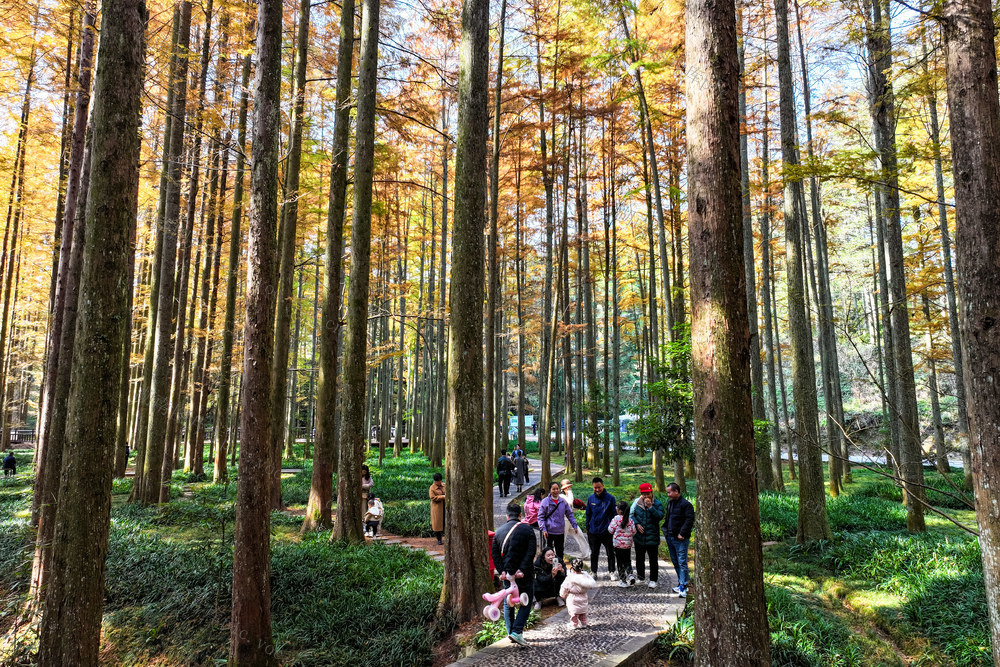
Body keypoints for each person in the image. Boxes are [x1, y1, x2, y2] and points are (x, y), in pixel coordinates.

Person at [491, 501, 537, 647]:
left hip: (507, 575)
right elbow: (531, 552)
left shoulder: (499, 532)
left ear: (507, 516)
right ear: (520, 515)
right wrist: (521, 569)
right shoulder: (528, 530)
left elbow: (495, 554)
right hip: (524, 574)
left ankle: (510, 631)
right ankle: (517, 631)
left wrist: (502, 571)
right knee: (526, 600)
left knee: (508, 601)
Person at [664, 482, 694, 598]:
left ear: (676, 491)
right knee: (675, 561)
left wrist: (682, 533)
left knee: (682, 562)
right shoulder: (670, 503)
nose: (668, 495)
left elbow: (689, 520)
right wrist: (665, 531)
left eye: (669, 492)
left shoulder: (686, 505)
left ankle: (684, 586)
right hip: (670, 536)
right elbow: (668, 518)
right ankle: (680, 582)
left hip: (680, 538)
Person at [632, 482, 664, 588]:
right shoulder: (637, 503)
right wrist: (636, 524)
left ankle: (653, 580)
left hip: (652, 536)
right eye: (643, 494)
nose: (646, 496)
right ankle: (641, 578)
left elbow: (660, 516)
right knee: (639, 559)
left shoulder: (657, 504)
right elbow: (632, 515)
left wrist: (650, 507)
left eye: (648, 494)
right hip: (639, 537)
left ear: (651, 492)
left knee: (653, 560)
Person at [538, 481, 580, 561]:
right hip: (549, 532)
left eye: (557, 489)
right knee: (549, 553)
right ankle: (549, 567)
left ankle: (560, 566)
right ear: (550, 490)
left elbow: (569, 514)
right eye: (553, 489)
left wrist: (574, 525)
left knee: (560, 552)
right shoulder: (545, 501)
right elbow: (540, 517)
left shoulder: (563, 501)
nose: (555, 491)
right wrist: (543, 529)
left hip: (560, 531)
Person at [585, 477, 617, 579]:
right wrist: (588, 527)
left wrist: (613, 528)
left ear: (603, 485)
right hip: (593, 531)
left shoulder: (610, 498)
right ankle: (593, 572)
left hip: (607, 531)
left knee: (610, 553)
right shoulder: (591, 498)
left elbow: (614, 514)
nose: (597, 489)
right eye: (595, 488)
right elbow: (588, 514)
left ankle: (612, 571)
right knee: (594, 553)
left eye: (599, 487)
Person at [559, 558, 597, 630]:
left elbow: (564, 587)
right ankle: (584, 623)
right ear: (582, 568)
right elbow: (590, 585)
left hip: (573, 598)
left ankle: (574, 624)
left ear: (572, 568)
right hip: (583, 597)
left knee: (574, 612)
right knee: (583, 611)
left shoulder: (570, 578)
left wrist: (562, 594)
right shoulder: (586, 577)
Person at [608, 500, 637, 587]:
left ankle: (623, 581)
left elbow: (610, 530)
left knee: (620, 562)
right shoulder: (630, 520)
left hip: (618, 545)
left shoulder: (616, 519)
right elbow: (634, 531)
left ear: (620, 511)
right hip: (627, 545)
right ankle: (630, 574)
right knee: (627, 561)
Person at [429, 472, 446, 545]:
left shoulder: (444, 485)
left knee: (445, 522)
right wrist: (443, 497)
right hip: (437, 508)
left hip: (445, 507)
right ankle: (439, 539)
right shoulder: (432, 488)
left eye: (439, 481)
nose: (438, 482)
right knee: (437, 525)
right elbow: (432, 497)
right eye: (436, 481)